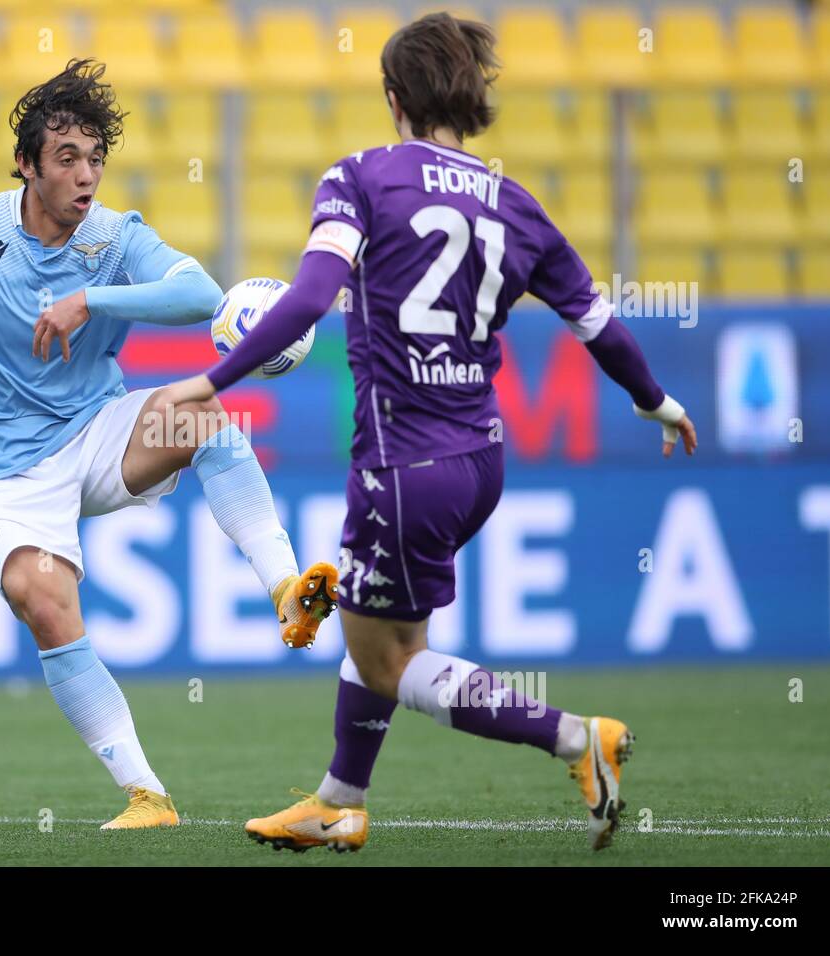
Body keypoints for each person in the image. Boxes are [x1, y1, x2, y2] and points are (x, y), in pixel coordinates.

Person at [156, 14, 697, 851]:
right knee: (382, 627)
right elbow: (601, 328)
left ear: (393, 96)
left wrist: (206, 379)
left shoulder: (361, 179)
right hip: (480, 459)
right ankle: (340, 800)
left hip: (403, 463)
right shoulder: (519, 207)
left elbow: (307, 302)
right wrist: (656, 401)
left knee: (389, 662)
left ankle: (574, 737)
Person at [0, 59, 338, 830]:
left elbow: (202, 294)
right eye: (67, 158)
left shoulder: (112, 238)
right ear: (28, 165)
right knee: (40, 597)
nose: (86, 175)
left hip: (99, 435)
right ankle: (148, 796)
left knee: (198, 414)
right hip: (4, 469)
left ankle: (284, 589)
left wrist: (88, 298)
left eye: (96, 158)